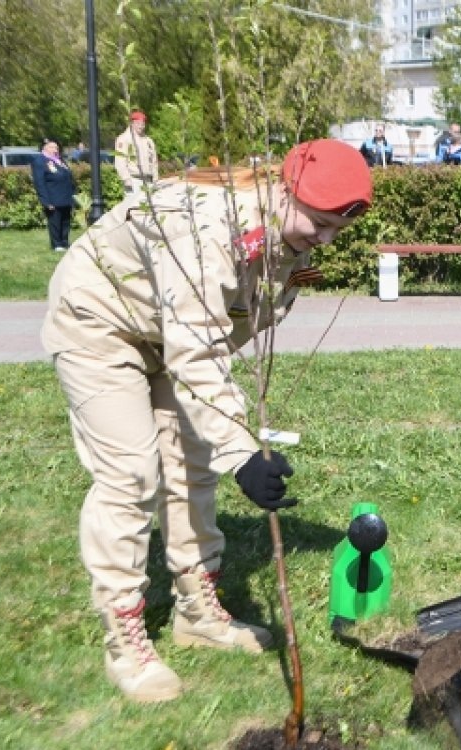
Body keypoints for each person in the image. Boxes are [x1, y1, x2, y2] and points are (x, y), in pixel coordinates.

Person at [41, 140, 373, 702]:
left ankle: (197, 612)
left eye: (336, 231)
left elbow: (222, 329)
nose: (325, 240)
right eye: (319, 224)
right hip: (101, 322)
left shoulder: (283, 232)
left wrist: (224, 436)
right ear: (284, 190)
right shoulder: (202, 225)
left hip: (170, 333)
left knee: (192, 466)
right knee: (131, 474)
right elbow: (196, 347)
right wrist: (243, 453)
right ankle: (125, 638)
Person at [31, 139, 76, 251]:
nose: (55, 150)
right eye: (52, 147)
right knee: (55, 222)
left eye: (56, 147)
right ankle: (57, 244)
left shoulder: (59, 160)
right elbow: (40, 183)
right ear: (44, 148)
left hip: (65, 197)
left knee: (65, 221)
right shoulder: (40, 161)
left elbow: (68, 177)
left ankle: (64, 242)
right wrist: (46, 201)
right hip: (53, 198)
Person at [114, 109, 159, 192]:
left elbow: (154, 161)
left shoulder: (148, 141)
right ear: (132, 123)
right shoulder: (124, 139)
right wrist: (126, 180)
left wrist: (155, 179)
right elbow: (120, 162)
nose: (141, 126)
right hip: (134, 180)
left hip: (148, 180)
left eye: (143, 124)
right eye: (138, 123)